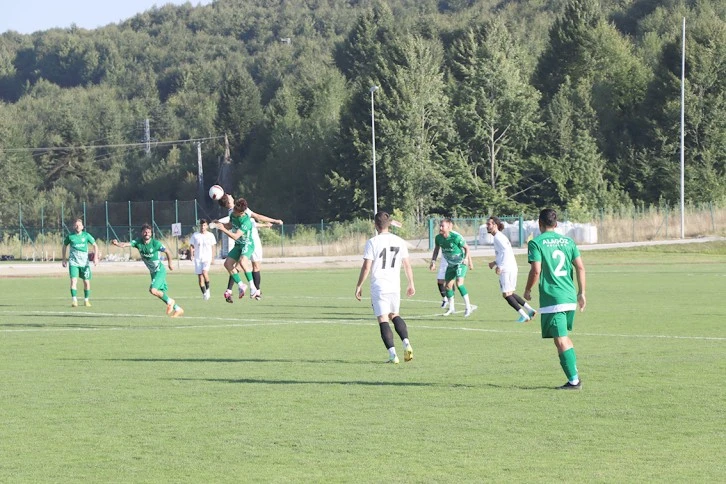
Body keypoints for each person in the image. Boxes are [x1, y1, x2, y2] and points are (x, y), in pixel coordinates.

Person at [524, 209, 586, 390]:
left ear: (539, 223)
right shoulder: (568, 241)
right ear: (556, 224)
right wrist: (582, 293)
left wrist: (527, 289)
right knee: (563, 338)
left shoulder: (536, 243)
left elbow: (536, 270)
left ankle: (574, 381)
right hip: (569, 296)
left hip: (553, 298)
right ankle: (574, 376)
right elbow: (581, 268)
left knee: (560, 339)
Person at [355, 211, 416, 364]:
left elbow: (367, 266)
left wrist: (359, 285)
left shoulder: (372, 242)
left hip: (379, 286)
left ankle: (392, 355)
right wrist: (411, 283)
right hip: (395, 285)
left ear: (375, 225)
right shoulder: (399, 241)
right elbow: (407, 264)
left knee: (383, 319)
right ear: (389, 224)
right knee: (394, 314)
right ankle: (406, 342)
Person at [216, 193, 283, 302]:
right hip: (241, 242)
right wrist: (220, 225)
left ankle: (255, 290)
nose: (230, 195)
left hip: (249, 241)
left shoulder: (243, 215)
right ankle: (238, 287)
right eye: (228, 196)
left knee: (249, 264)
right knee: (233, 265)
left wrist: (271, 222)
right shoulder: (235, 212)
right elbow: (255, 218)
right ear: (228, 202)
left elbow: (251, 223)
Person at [111, 224, 184, 317]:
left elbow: (168, 252)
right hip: (153, 272)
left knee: (153, 290)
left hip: (159, 270)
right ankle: (178, 309)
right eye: (145, 232)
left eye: (149, 232)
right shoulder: (138, 243)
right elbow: (125, 244)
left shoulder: (155, 244)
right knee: (160, 293)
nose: (147, 233)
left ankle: (171, 302)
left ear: (151, 233)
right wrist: (117, 244)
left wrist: (170, 263)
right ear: (142, 233)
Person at [486, 216, 537, 322]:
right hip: (511, 267)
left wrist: (501, 266)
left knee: (506, 294)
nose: (487, 226)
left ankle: (524, 315)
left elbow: (505, 252)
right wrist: (494, 263)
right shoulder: (500, 236)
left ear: (495, 225)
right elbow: (503, 253)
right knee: (510, 293)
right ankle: (530, 310)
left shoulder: (498, 237)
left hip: (507, 269)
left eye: (489, 224)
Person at [213, 197, 260, 300]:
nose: (234, 210)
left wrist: (222, 229)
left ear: (241, 212)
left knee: (243, 262)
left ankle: (253, 288)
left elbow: (235, 236)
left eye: (236, 210)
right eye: (234, 208)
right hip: (238, 245)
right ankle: (241, 285)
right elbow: (230, 225)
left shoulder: (246, 221)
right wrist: (220, 224)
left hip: (247, 244)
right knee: (227, 264)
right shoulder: (233, 213)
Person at [429, 218, 475, 317]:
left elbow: (467, 248)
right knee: (448, 286)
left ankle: (468, 307)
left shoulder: (456, 237)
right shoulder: (438, 238)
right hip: (450, 264)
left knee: (459, 283)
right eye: (440, 226)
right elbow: (436, 249)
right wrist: (433, 261)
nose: (440, 228)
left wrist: (467, 259)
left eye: (442, 226)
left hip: (460, 263)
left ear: (449, 227)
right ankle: (451, 308)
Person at [61, 218, 99, 307]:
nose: (78, 227)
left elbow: (95, 246)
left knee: (86, 282)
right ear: (74, 226)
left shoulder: (86, 236)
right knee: (73, 281)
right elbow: (64, 246)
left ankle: (86, 300)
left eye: (79, 225)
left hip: (84, 264)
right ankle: (74, 300)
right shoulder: (70, 236)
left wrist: (95, 258)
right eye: (76, 225)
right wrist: (64, 258)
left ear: (82, 227)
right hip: (73, 263)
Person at [189, 218, 217, 300]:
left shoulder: (210, 235)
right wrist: (191, 255)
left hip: (207, 257)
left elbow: (213, 247)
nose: (202, 227)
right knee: (200, 277)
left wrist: (213, 258)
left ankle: (208, 289)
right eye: (201, 225)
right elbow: (191, 245)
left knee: (205, 272)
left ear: (207, 226)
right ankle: (204, 293)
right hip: (198, 258)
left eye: (204, 225)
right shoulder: (195, 235)